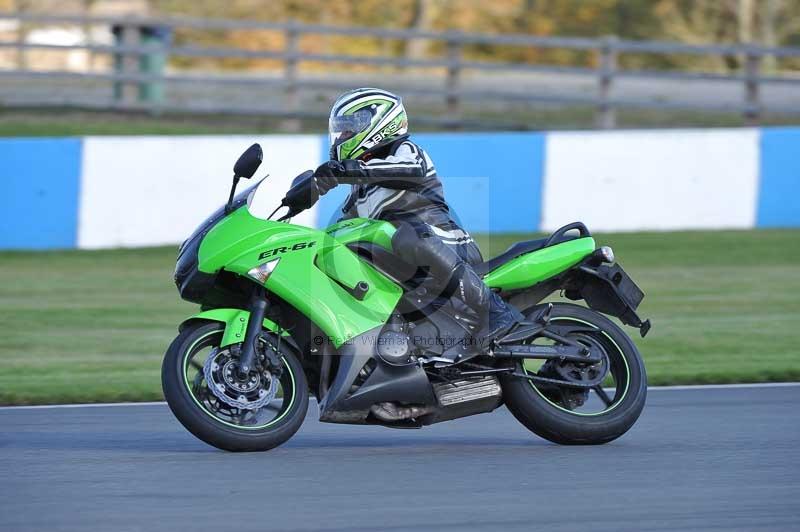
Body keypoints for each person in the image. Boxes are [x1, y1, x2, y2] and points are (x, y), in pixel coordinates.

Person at [312, 88, 521, 350]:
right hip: (410, 262)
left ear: (379, 123)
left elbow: (407, 170)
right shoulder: (360, 192)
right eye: (340, 130)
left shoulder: (407, 151)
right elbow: (339, 230)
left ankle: (495, 310)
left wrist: (351, 169)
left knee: (407, 235)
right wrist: (304, 194)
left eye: (349, 129)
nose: (342, 137)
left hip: (446, 242)